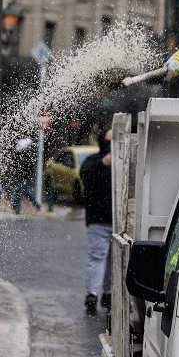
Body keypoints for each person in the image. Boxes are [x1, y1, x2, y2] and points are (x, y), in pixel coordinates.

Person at [79, 129, 113, 316]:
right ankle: (92, 295)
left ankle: (108, 293)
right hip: (98, 221)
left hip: (117, 221)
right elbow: (86, 175)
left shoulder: (122, 163)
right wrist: (103, 163)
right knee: (98, 256)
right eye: (108, 141)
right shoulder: (93, 161)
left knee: (113, 260)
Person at [9, 137, 41, 214]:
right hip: (23, 173)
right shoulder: (26, 151)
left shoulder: (25, 153)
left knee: (23, 190)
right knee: (19, 190)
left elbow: (27, 165)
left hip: (24, 174)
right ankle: (16, 206)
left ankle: (35, 204)